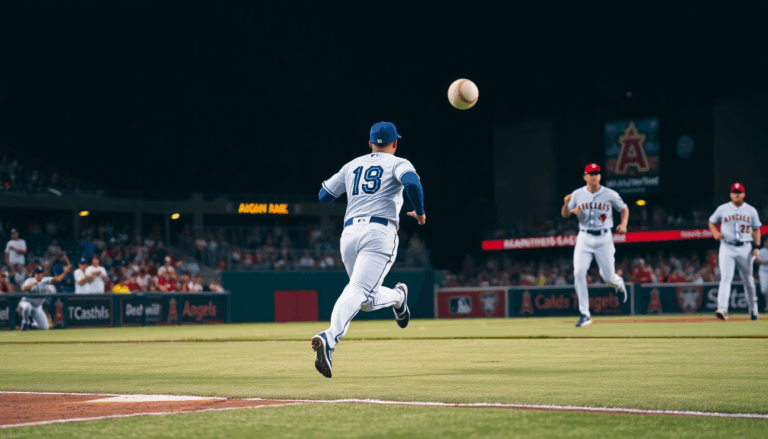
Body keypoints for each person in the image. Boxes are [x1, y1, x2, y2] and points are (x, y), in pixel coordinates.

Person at [311, 121, 425, 378]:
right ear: (395, 143)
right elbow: (413, 185)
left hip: (350, 234)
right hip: (379, 233)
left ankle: (394, 299)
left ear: (370, 143)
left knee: (362, 295)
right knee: (363, 296)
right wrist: (419, 212)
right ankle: (332, 336)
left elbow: (323, 196)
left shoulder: (352, 165)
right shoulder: (398, 162)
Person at [561, 163, 628, 327]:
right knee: (579, 272)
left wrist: (624, 223)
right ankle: (585, 314)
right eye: (591, 173)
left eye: (597, 173)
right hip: (584, 237)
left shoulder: (610, 194)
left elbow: (624, 208)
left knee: (608, 277)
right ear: (585, 176)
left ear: (600, 176)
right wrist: (566, 205)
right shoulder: (577, 194)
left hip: (604, 237)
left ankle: (618, 284)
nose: (594, 176)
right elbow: (565, 214)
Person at [708, 183, 761, 320]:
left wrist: (756, 247)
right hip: (727, 246)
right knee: (725, 278)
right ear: (730, 194)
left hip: (745, 247)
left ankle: (753, 309)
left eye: (739, 192)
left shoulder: (751, 210)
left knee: (748, 280)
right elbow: (711, 222)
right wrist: (715, 232)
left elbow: (756, 229)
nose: (736, 194)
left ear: (744, 194)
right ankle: (722, 309)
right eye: (734, 192)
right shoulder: (722, 209)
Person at [18, 265, 71, 331]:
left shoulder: (45, 280)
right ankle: (25, 323)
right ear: (34, 274)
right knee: (27, 307)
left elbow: (58, 279)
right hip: (26, 302)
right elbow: (23, 288)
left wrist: (65, 272)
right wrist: (32, 284)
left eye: (40, 273)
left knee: (45, 327)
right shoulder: (30, 280)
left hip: (37, 306)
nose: (39, 275)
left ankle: (32, 325)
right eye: (37, 273)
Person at [758, 240, 768, 313]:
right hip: (763, 271)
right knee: (763, 290)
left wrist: (764, 262)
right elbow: (757, 261)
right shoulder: (761, 251)